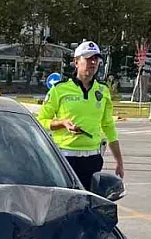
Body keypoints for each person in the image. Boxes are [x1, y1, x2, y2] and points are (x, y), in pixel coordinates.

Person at [37, 40, 125, 189]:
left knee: (88, 203)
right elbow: (41, 121)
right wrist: (62, 123)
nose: (93, 62)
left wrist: (119, 162)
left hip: (93, 158)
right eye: (88, 58)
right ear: (76, 62)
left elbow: (108, 126)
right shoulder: (60, 89)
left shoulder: (102, 91)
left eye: (95, 59)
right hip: (65, 158)